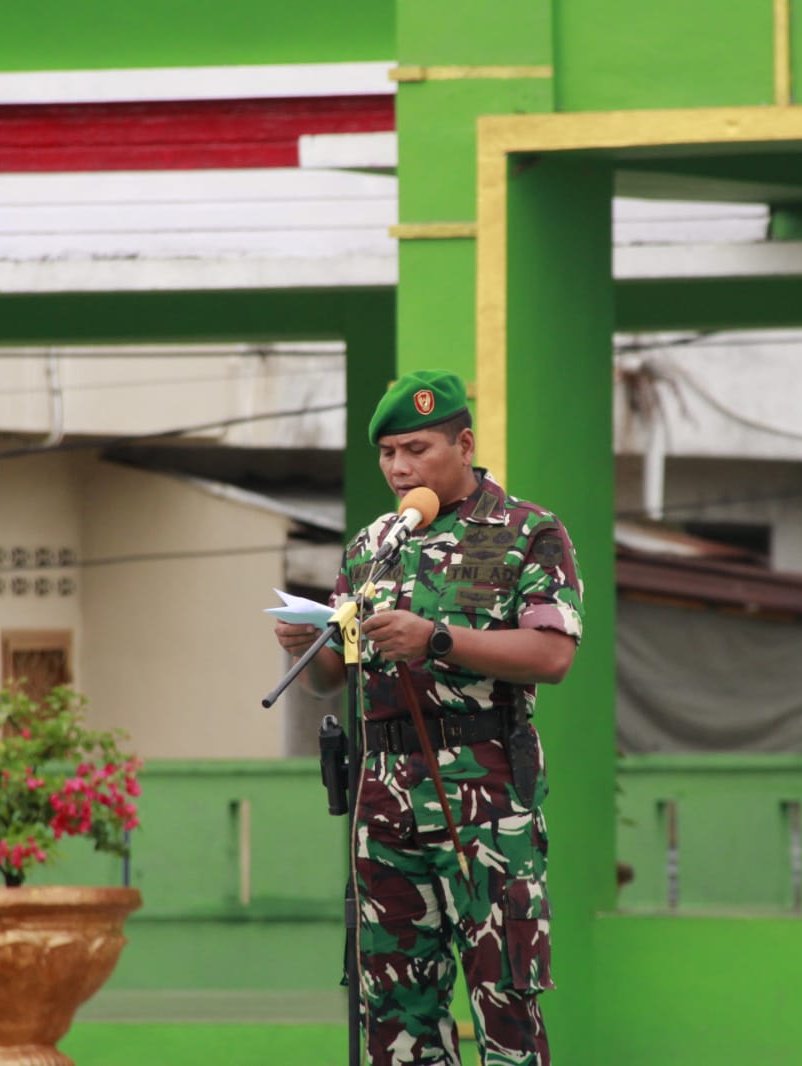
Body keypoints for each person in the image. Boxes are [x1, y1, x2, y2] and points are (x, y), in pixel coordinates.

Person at [274, 369, 583, 1066]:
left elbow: (552, 653)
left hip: (487, 801)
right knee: (395, 1012)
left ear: (463, 445)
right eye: (387, 453)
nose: (398, 468)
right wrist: (307, 646)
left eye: (416, 449)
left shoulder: (526, 532)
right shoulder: (370, 547)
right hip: (383, 801)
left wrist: (437, 639)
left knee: (504, 998)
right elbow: (334, 677)